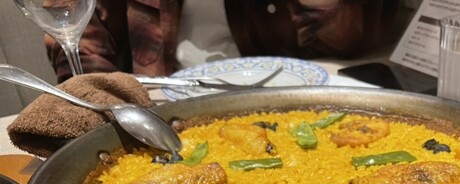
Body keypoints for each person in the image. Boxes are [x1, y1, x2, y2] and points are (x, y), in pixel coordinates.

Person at [46, 0, 400, 82]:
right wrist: (97, 97)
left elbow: (353, 42)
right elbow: (80, 36)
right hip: (166, 105)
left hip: (281, 104)